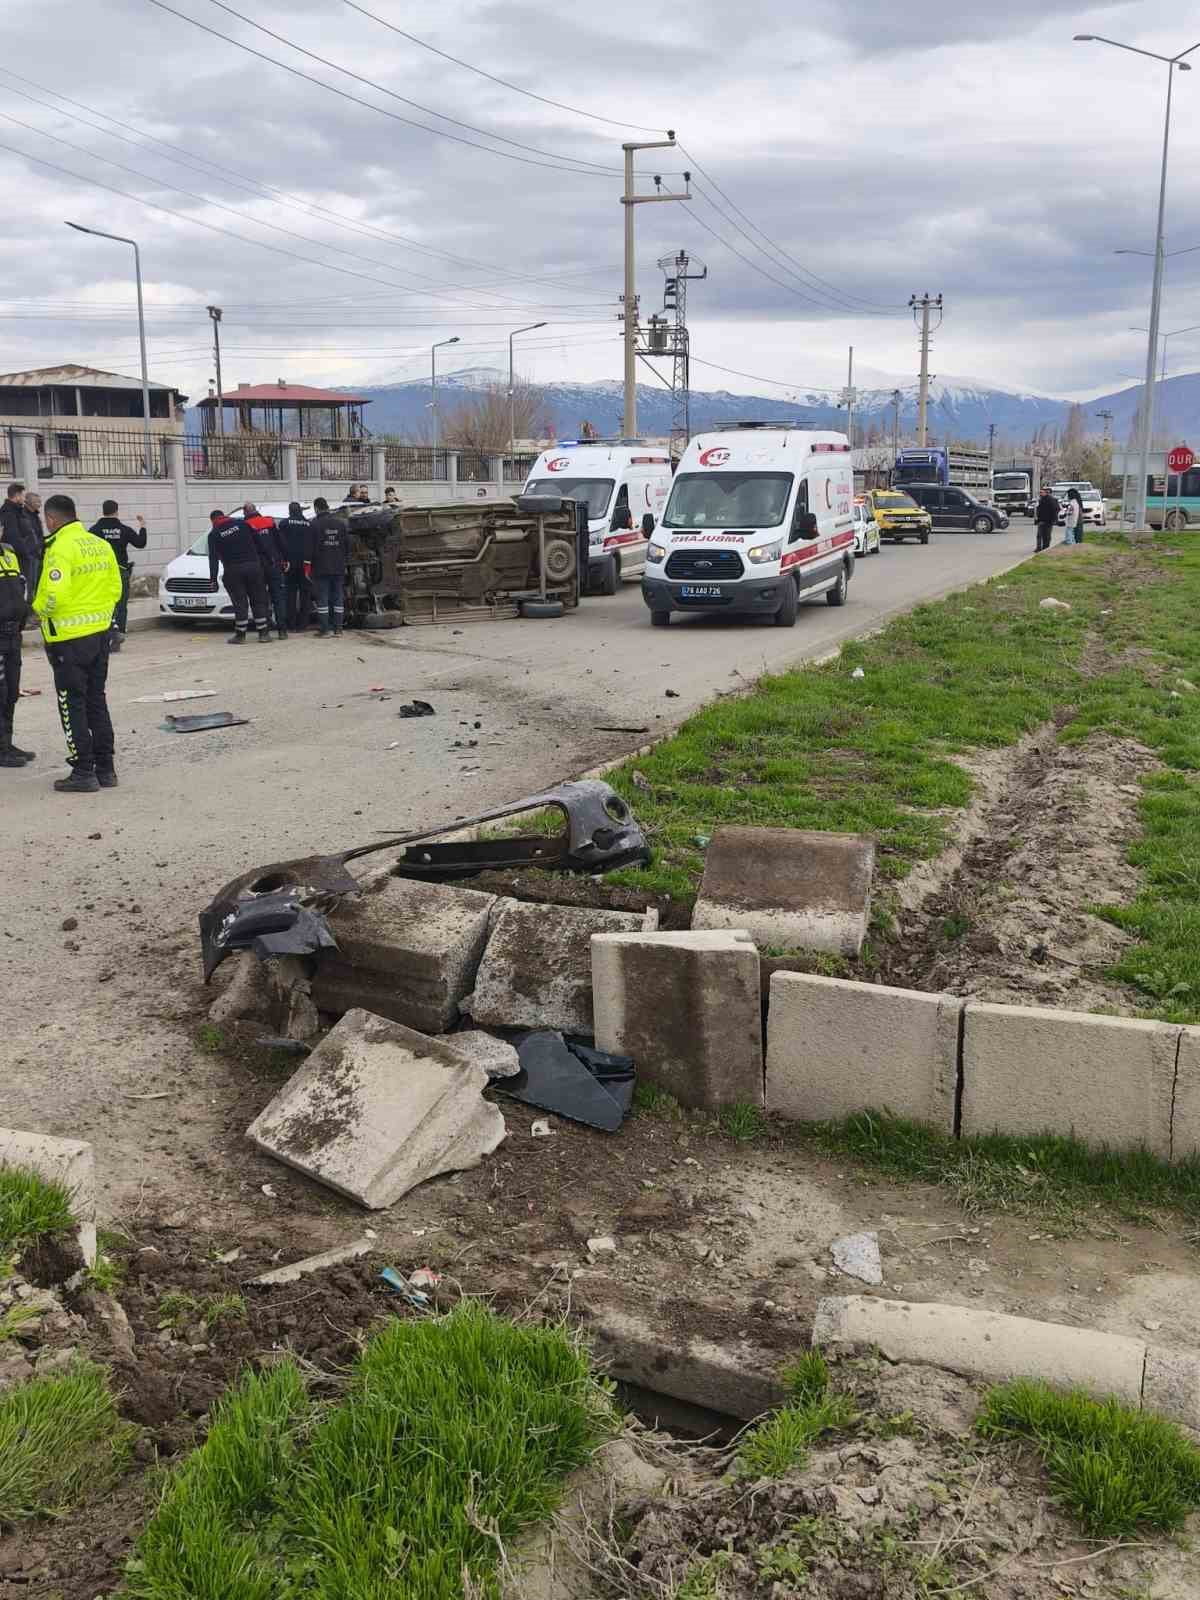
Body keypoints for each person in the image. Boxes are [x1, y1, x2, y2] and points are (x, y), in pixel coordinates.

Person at [33, 493, 122, 793]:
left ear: (52, 519)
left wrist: (38, 609)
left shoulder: (60, 548)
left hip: (68, 641)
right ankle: (106, 770)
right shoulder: (100, 543)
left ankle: (83, 771)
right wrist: (98, 616)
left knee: (72, 704)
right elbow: (116, 589)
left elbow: (54, 594)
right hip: (99, 635)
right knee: (97, 699)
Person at [207, 507, 272, 643]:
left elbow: (213, 559)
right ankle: (263, 633)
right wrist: (269, 559)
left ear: (213, 521)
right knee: (259, 600)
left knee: (240, 603)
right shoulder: (243, 524)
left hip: (233, 571)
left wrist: (213, 579)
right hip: (253, 567)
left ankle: (240, 635)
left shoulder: (214, 534)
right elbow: (259, 543)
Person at [89, 499, 147, 650]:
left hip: (101, 573)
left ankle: (106, 633)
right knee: (121, 605)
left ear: (103, 511)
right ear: (116, 511)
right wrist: (143, 526)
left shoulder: (94, 530)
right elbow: (141, 543)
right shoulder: (124, 529)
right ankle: (119, 633)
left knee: (102, 604)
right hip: (120, 572)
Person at [0, 530, 32, 768]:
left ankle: (7, 743)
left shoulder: (9, 554)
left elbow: (21, 588)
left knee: (11, 691)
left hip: (13, 634)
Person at [241, 501, 288, 639]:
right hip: (274, 564)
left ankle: (265, 631)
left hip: (257, 567)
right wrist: (284, 559)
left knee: (261, 599)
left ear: (245, 512)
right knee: (278, 598)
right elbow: (280, 542)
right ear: (255, 510)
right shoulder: (269, 521)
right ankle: (282, 631)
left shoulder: (245, 526)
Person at [305, 496, 350, 637]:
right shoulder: (341, 524)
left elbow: (309, 549)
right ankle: (338, 629)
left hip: (321, 568)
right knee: (338, 597)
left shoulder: (314, 525)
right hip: (338, 567)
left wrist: (307, 567)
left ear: (316, 508)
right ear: (327, 507)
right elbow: (347, 546)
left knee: (322, 598)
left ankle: (325, 629)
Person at [277, 501, 312, 631]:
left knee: (290, 594)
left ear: (290, 511)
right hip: (306, 564)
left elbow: (280, 544)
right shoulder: (309, 524)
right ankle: (303, 624)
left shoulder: (284, 524)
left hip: (289, 564)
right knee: (305, 594)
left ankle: (291, 624)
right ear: (300, 511)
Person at [1, 481, 40, 597]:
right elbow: (14, 538)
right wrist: (26, 554)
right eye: (23, 496)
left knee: (30, 585)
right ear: (17, 496)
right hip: (20, 558)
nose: (24, 499)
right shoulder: (9, 512)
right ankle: (23, 611)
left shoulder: (18, 510)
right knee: (23, 586)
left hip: (28, 556)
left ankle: (27, 609)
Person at [1034, 487, 1060, 553]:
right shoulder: (1040, 500)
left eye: (1041, 492)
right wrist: (1037, 519)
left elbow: (1056, 509)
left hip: (1048, 521)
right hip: (1041, 520)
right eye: (1040, 492)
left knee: (1047, 535)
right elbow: (1038, 510)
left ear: (1046, 493)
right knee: (1039, 535)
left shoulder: (1052, 500)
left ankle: (1046, 547)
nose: (1040, 494)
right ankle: (1039, 547)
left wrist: (1053, 519)